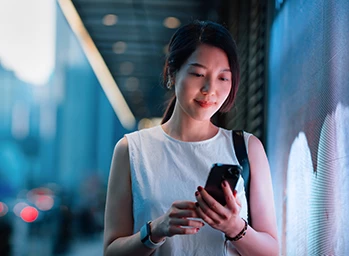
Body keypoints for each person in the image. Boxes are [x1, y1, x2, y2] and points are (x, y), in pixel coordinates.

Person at [103, 20, 278, 256]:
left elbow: (272, 251)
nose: (210, 89)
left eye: (223, 78)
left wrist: (234, 227)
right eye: (198, 74)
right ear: (172, 74)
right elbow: (111, 251)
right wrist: (156, 231)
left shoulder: (246, 147)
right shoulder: (132, 149)